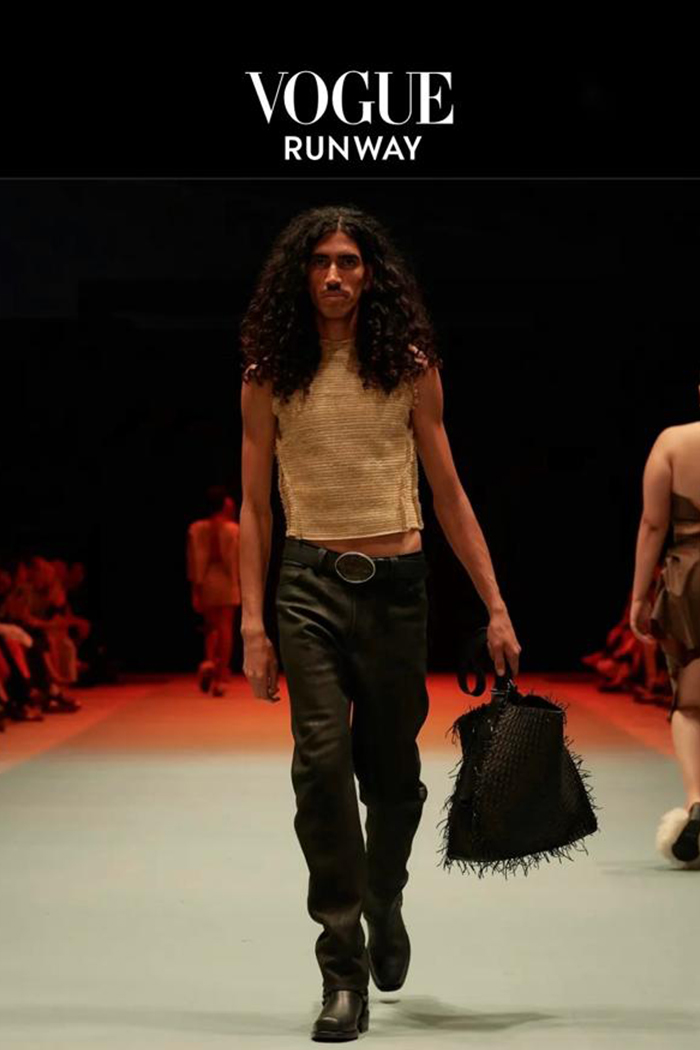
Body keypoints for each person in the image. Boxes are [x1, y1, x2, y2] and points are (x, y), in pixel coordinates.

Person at [239, 204, 521, 1042]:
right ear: (301, 274)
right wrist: (251, 623)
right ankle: (342, 967)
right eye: (320, 261)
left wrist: (496, 605)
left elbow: (449, 492)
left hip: (397, 589)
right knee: (320, 768)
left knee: (392, 778)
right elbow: (255, 507)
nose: (334, 275)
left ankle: (384, 897)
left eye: (349, 261)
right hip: (308, 587)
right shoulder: (268, 372)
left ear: (371, 274)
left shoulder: (409, 366)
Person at [630, 376, 700, 869]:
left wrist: (638, 596)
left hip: (689, 578)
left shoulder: (673, 443)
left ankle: (697, 799)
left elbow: (653, 523)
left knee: (690, 702)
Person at [187, 486, 241, 697]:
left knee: (211, 626)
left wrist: (195, 589)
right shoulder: (233, 530)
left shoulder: (196, 528)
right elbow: (240, 560)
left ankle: (210, 660)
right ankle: (221, 676)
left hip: (207, 578)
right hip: (227, 579)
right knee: (225, 627)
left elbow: (193, 562)